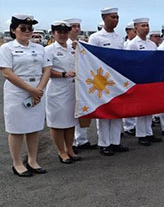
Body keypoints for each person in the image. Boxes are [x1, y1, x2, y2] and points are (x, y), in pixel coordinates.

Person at [0, 14, 52, 177]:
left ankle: (32, 160)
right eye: (23, 28)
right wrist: (31, 90)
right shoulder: (6, 48)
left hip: (37, 91)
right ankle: (17, 163)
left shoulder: (39, 48)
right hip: (17, 92)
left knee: (34, 128)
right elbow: (7, 72)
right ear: (13, 30)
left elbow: (47, 69)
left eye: (30, 28)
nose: (27, 31)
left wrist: (39, 89)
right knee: (16, 129)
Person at [88, 7, 128, 155]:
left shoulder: (119, 38)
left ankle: (115, 141)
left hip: (117, 79)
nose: (115, 20)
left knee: (117, 111)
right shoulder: (96, 38)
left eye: (117, 17)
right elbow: (91, 59)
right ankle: (104, 143)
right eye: (112, 17)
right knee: (104, 111)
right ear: (104, 18)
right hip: (102, 80)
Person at [45, 21, 81, 164]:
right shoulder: (49, 50)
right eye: (59, 32)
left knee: (71, 121)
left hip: (72, 89)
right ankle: (61, 151)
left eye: (65, 32)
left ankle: (70, 149)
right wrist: (63, 74)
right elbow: (46, 70)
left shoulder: (73, 48)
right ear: (53, 33)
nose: (62, 35)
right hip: (57, 89)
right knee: (58, 123)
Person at [126, 17, 162, 146]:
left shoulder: (151, 44)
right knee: (141, 108)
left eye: (147, 25)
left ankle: (148, 132)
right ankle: (141, 135)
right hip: (139, 79)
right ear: (136, 28)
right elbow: (129, 63)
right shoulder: (132, 44)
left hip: (150, 79)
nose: (146, 28)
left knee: (149, 107)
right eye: (143, 26)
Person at [65, 17, 96, 152]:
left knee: (82, 111)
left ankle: (82, 140)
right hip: (66, 84)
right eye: (73, 26)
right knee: (68, 115)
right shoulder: (62, 44)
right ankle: (70, 144)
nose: (76, 29)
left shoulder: (82, 44)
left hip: (82, 83)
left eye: (78, 26)